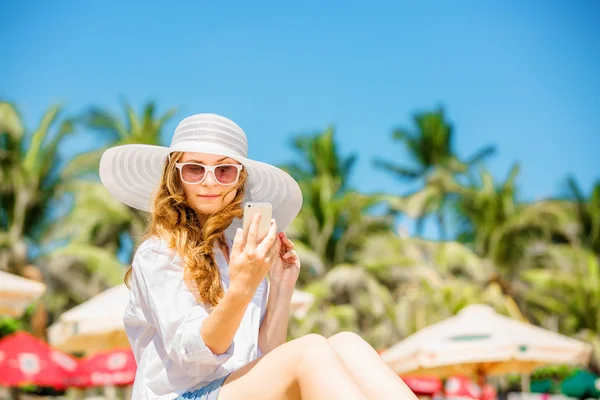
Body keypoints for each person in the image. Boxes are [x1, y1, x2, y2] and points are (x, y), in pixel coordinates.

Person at [99, 113, 417, 400]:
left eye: (223, 170)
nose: (209, 181)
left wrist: (280, 285)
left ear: (239, 181)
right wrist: (243, 285)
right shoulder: (159, 251)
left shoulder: (236, 251)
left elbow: (268, 355)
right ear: (176, 178)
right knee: (310, 351)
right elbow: (195, 354)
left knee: (350, 344)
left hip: (234, 390)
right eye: (195, 169)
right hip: (183, 396)